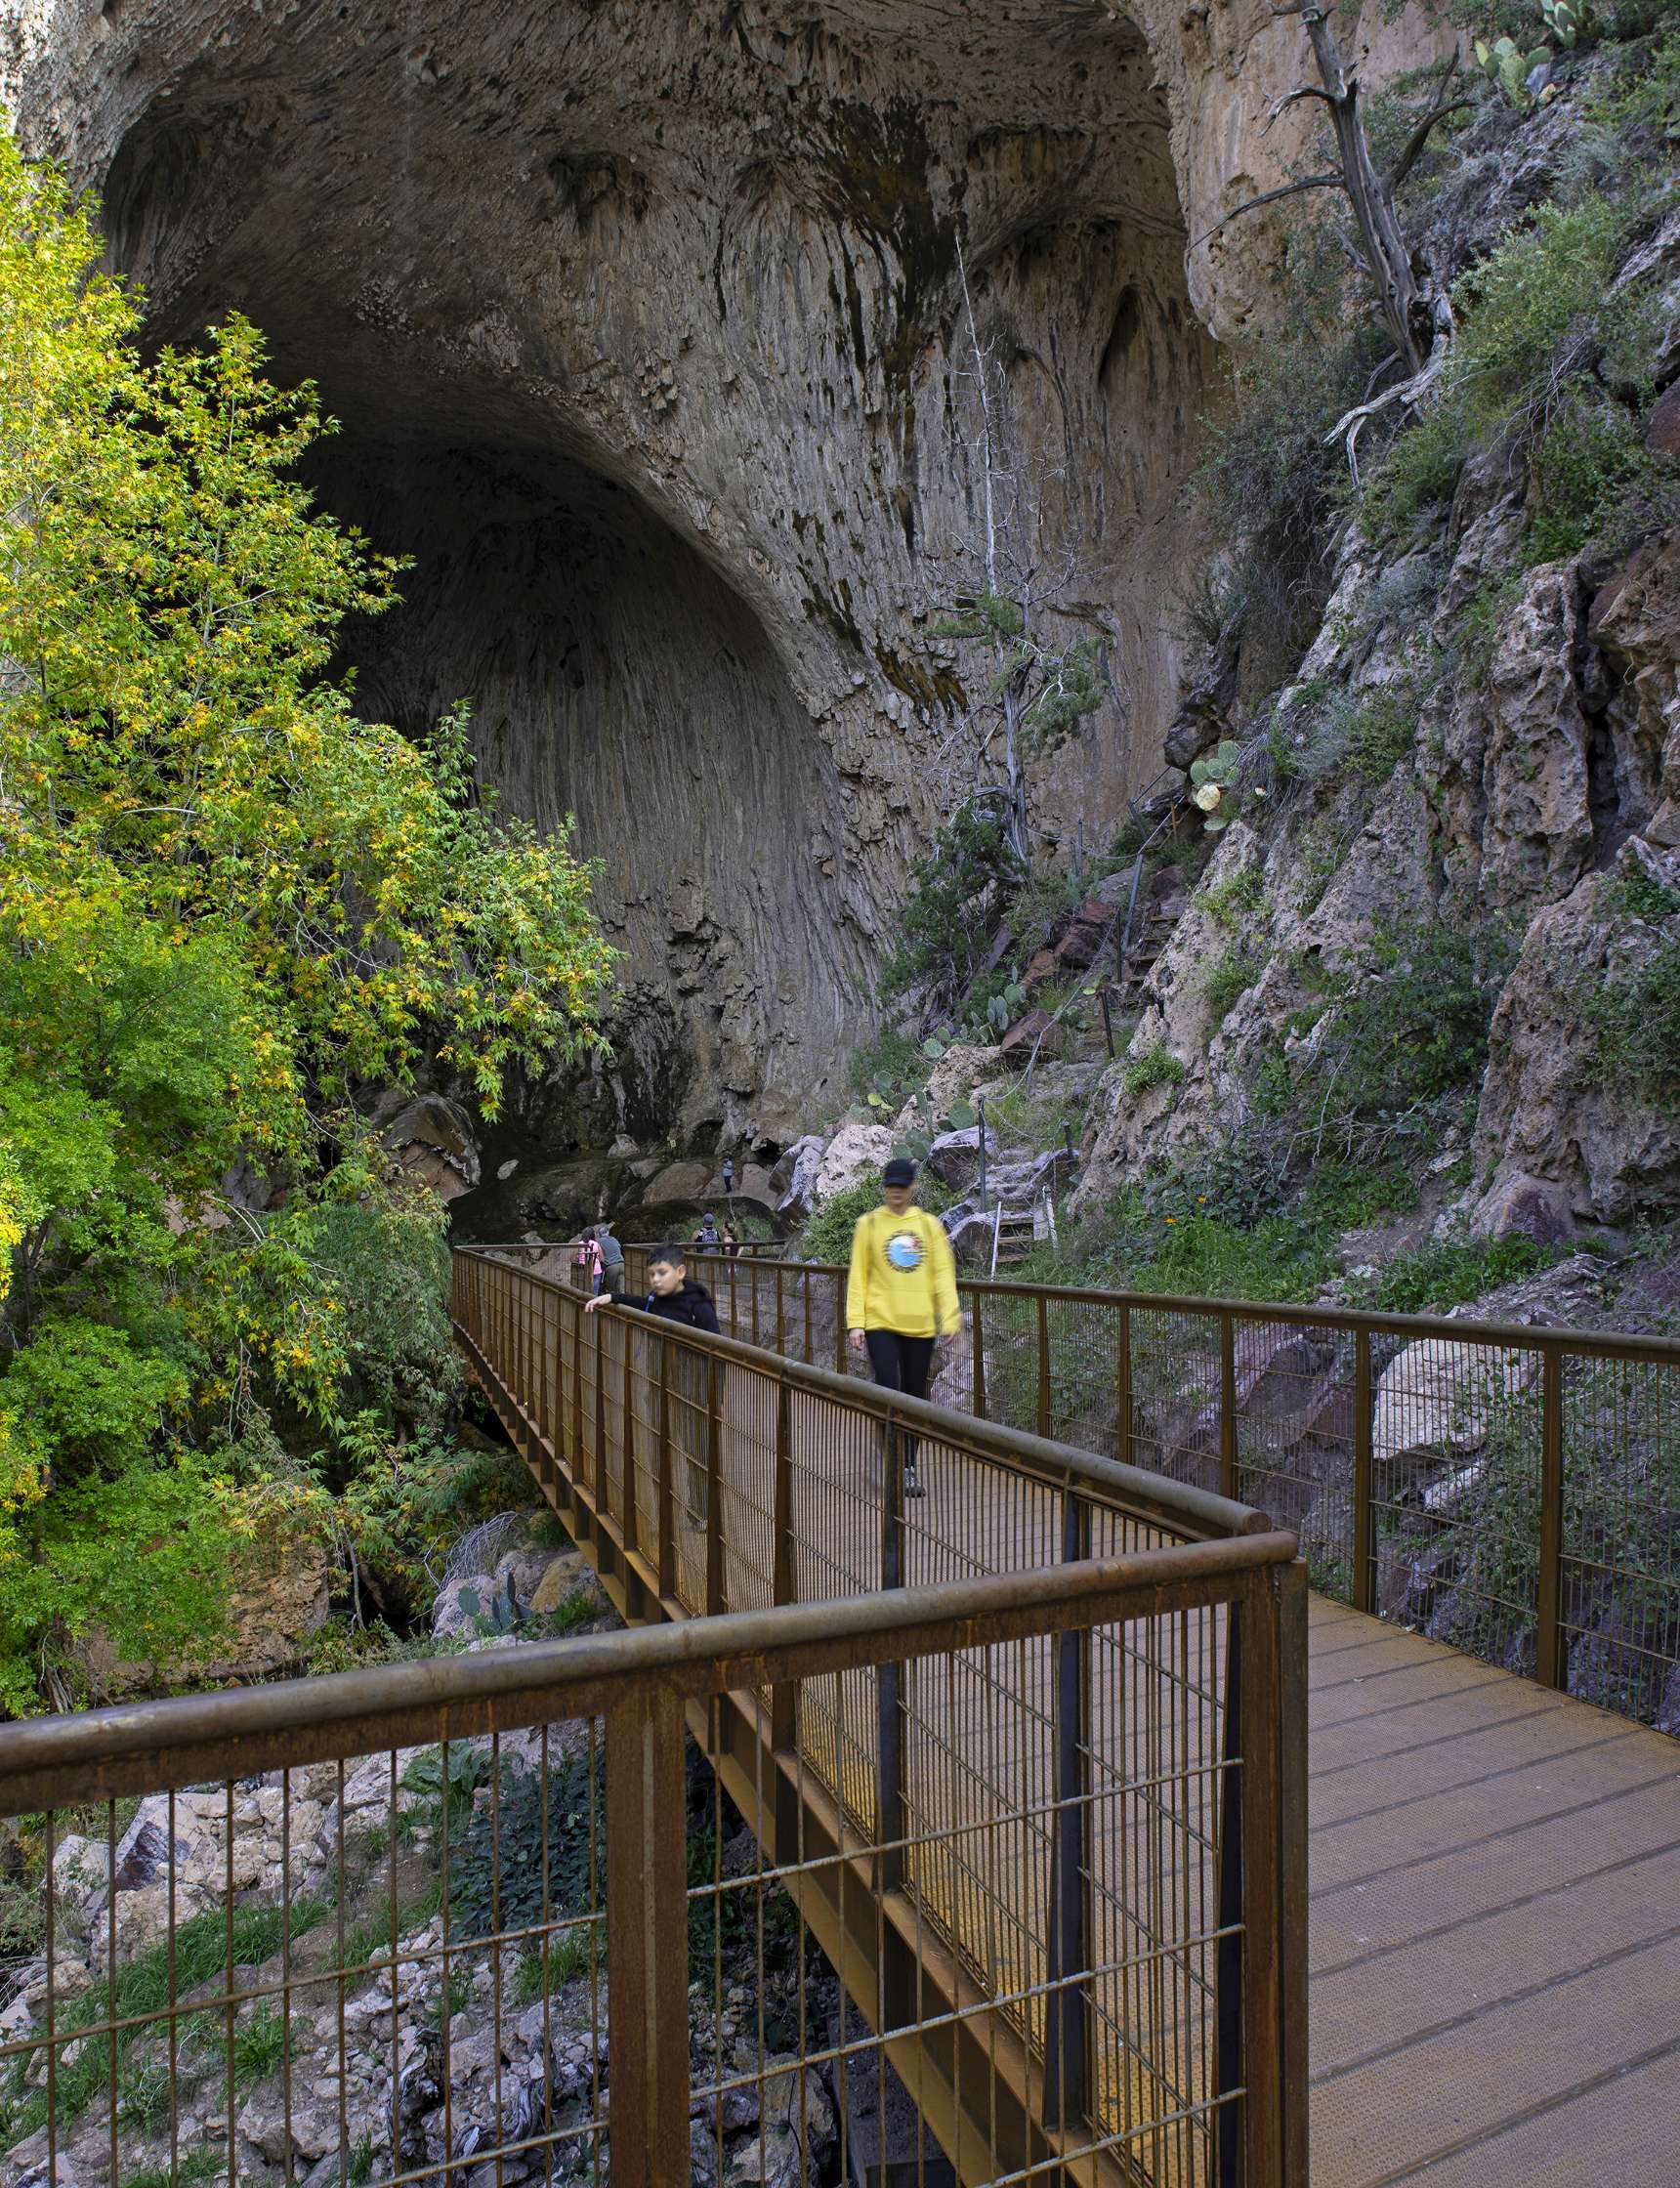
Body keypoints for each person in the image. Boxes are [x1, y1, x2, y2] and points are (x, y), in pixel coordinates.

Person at [846, 1157, 960, 1497]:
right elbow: (858, 1277)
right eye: (890, 1187)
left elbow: (942, 1274)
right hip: (880, 1322)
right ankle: (890, 1455)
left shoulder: (928, 1226)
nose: (895, 1193)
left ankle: (908, 1466)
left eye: (901, 1187)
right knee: (887, 1387)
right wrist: (856, 1323)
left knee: (914, 1399)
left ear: (912, 1187)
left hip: (920, 1325)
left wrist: (950, 1318)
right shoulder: (868, 1224)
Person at [583, 1241, 720, 1332]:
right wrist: (611, 1297)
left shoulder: (699, 1304)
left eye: (662, 1273)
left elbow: (715, 1344)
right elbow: (641, 1303)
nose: (655, 1279)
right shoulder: (657, 1297)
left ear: (680, 1272)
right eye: (652, 1274)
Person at [596, 1221, 625, 1289]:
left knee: (610, 1290)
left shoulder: (599, 1241)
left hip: (611, 1267)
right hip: (622, 1264)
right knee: (621, 1290)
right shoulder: (614, 1239)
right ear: (608, 1232)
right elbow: (619, 1248)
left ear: (600, 1234)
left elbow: (599, 1255)